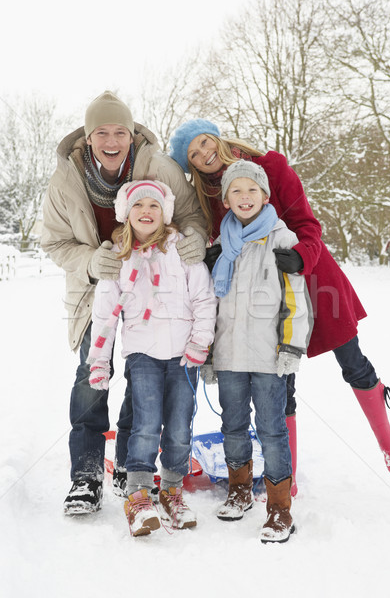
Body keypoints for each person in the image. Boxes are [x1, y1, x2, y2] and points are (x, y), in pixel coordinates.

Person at [168, 118, 390, 488]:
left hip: (310, 275)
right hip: (262, 296)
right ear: (191, 165)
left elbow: (307, 224)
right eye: (192, 154)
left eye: (203, 142)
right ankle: (286, 479)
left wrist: (302, 255)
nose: (203, 154)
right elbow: (225, 243)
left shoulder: (271, 166)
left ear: (217, 137)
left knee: (352, 362)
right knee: (281, 377)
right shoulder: (207, 197)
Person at [41, 92, 209, 515]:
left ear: (131, 134)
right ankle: (86, 475)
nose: (112, 140)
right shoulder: (66, 181)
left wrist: (191, 241)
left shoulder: (158, 168)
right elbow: (55, 242)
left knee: (144, 377)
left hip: (156, 290)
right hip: (95, 284)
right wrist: (90, 261)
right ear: (89, 136)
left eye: (120, 131)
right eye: (102, 132)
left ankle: (129, 470)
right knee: (91, 374)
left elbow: (191, 214)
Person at [87, 179, 217, 536]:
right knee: (145, 425)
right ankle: (139, 494)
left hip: (184, 356)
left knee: (178, 427)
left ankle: (172, 491)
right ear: (126, 214)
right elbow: (105, 315)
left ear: (165, 213)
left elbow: (205, 301)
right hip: (143, 354)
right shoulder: (118, 257)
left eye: (154, 206)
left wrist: (200, 343)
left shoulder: (183, 253)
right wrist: (99, 361)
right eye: (139, 206)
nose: (146, 212)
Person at [211, 160, 312, 543]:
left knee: (272, 431)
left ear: (265, 195)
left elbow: (295, 301)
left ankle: (279, 507)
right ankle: (239, 489)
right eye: (235, 191)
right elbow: (209, 305)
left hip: (270, 357)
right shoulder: (221, 246)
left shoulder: (282, 240)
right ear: (226, 200)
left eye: (252, 189)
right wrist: (207, 353)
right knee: (232, 425)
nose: (244, 197)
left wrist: (290, 347)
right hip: (229, 354)